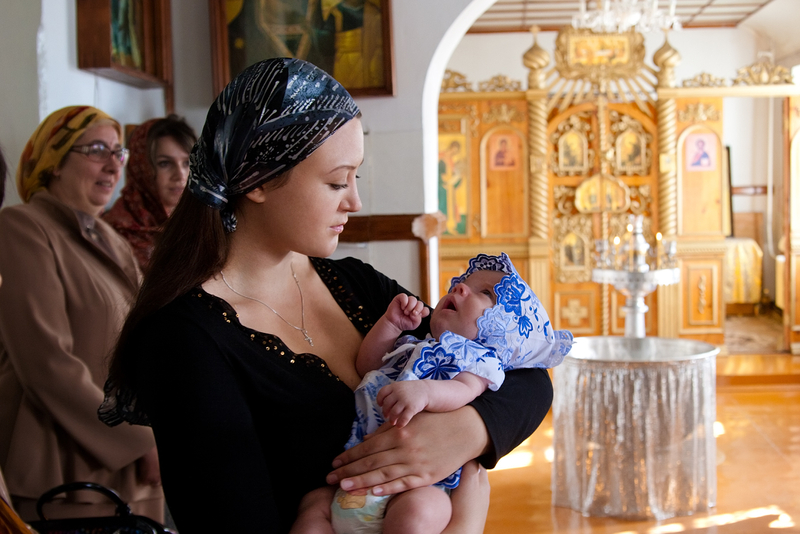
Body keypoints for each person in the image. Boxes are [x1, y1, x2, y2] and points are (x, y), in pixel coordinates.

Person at [99, 58, 554, 533]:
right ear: (259, 179)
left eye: (355, 178)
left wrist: (466, 431)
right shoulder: (183, 340)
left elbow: (524, 372)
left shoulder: (356, 284)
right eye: (337, 181)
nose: (354, 202)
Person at [293, 253, 572, 534]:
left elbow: (463, 389)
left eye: (486, 293)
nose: (459, 287)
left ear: (504, 331)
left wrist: (425, 392)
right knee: (313, 504)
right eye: (463, 283)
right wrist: (390, 326)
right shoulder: (413, 344)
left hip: (418, 487)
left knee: (420, 513)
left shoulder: (479, 360)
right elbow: (368, 367)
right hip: (352, 482)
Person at [0, 106, 163, 522]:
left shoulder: (109, 237)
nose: (113, 164)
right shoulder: (23, 227)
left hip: (136, 473)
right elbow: (45, 362)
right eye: (96, 150)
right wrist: (138, 440)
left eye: (118, 152)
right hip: (66, 472)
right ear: (53, 161)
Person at [103, 115, 197, 270]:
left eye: (187, 163)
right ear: (141, 168)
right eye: (164, 163)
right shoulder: (114, 233)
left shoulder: (202, 222)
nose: (180, 175)